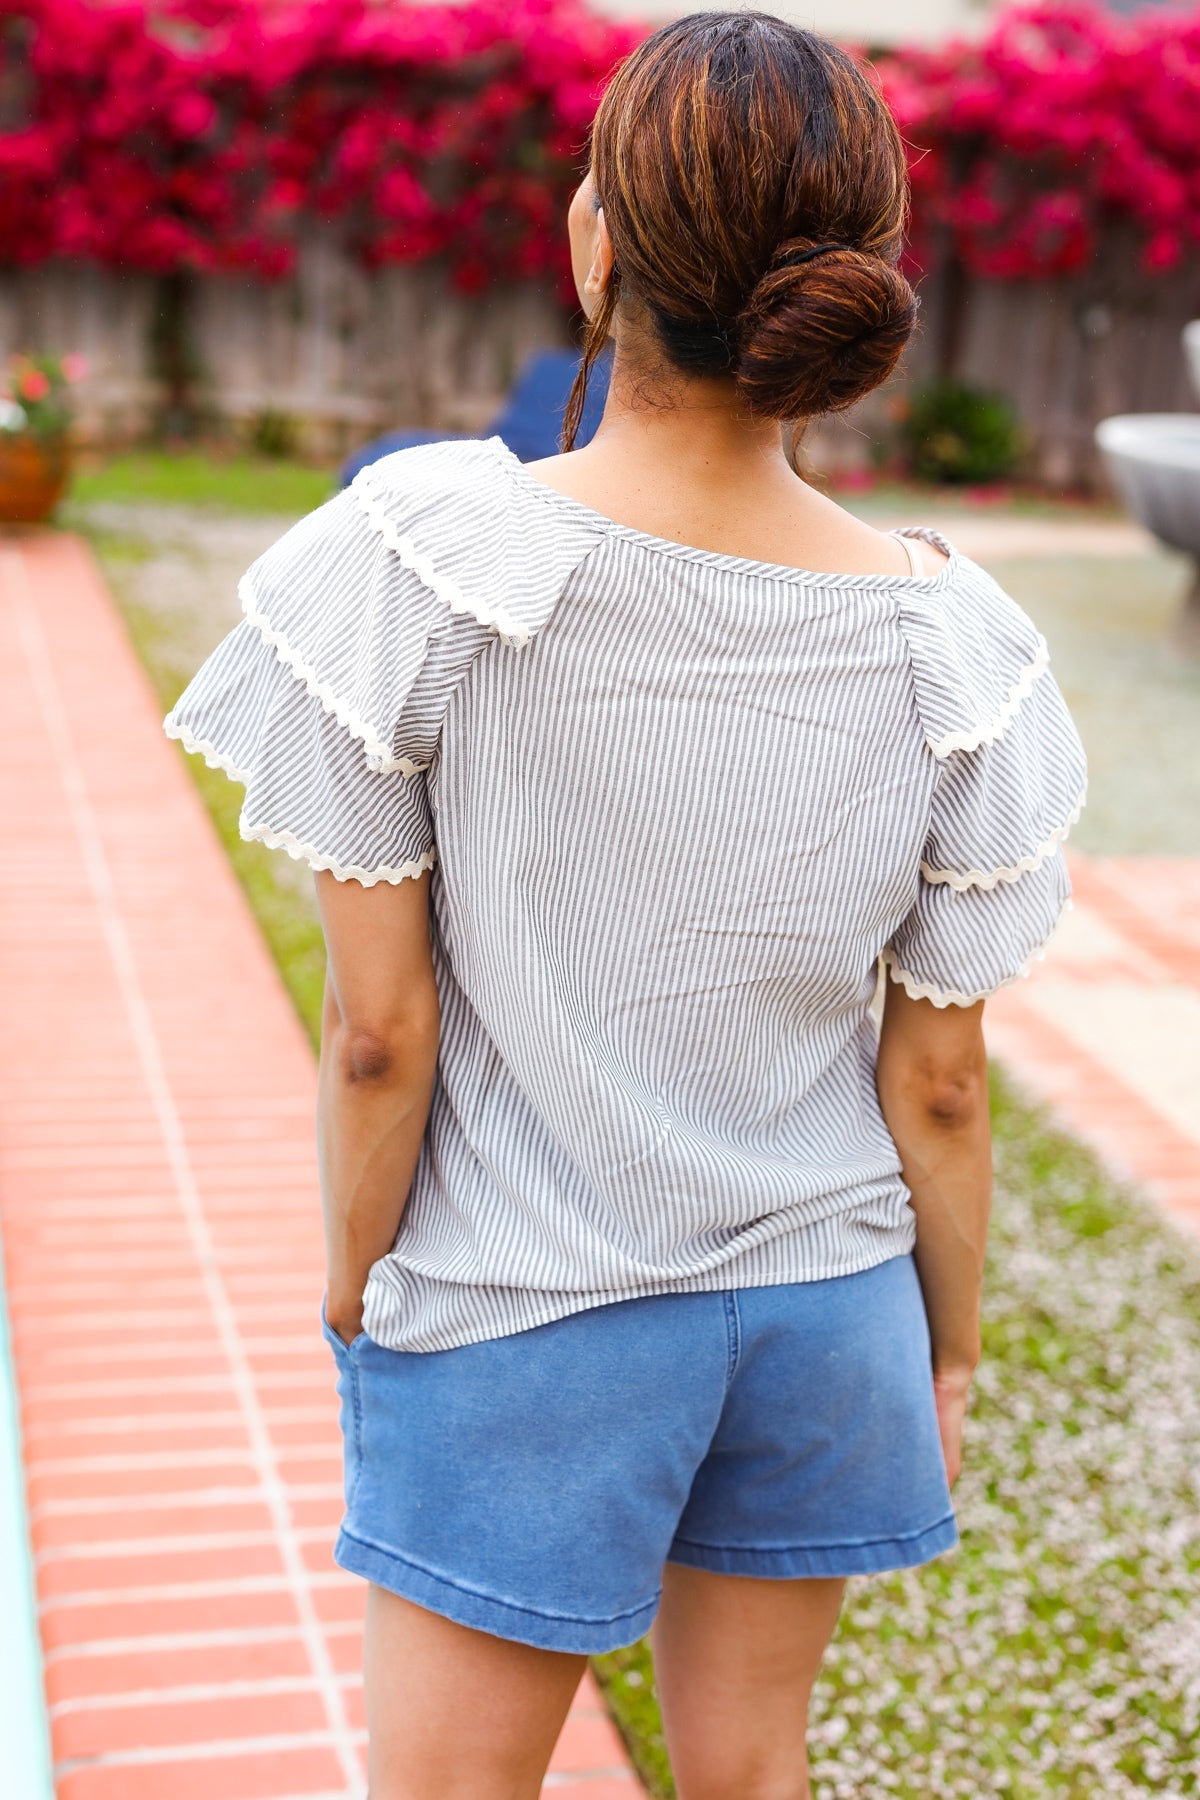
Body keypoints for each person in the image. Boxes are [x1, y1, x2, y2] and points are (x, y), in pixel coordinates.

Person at [164, 12, 1087, 1797]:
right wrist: (946, 1342)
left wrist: (356, 1279)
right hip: (829, 1310)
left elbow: (378, 1034)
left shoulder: (423, 562)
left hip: (524, 1308)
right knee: (753, 1777)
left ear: (597, 246)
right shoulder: (953, 648)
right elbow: (945, 1082)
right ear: (856, 281)